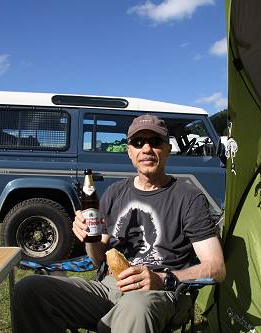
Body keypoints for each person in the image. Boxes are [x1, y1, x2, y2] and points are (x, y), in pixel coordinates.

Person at [13, 114, 225, 333]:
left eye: (155, 142)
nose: (146, 149)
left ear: (168, 149)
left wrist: (163, 278)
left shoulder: (188, 196)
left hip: (159, 293)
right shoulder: (114, 193)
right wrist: (90, 238)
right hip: (109, 288)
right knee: (30, 290)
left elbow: (216, 267)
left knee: (135, 307)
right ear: (129, 151)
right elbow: (97, 259)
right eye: (138, 142)